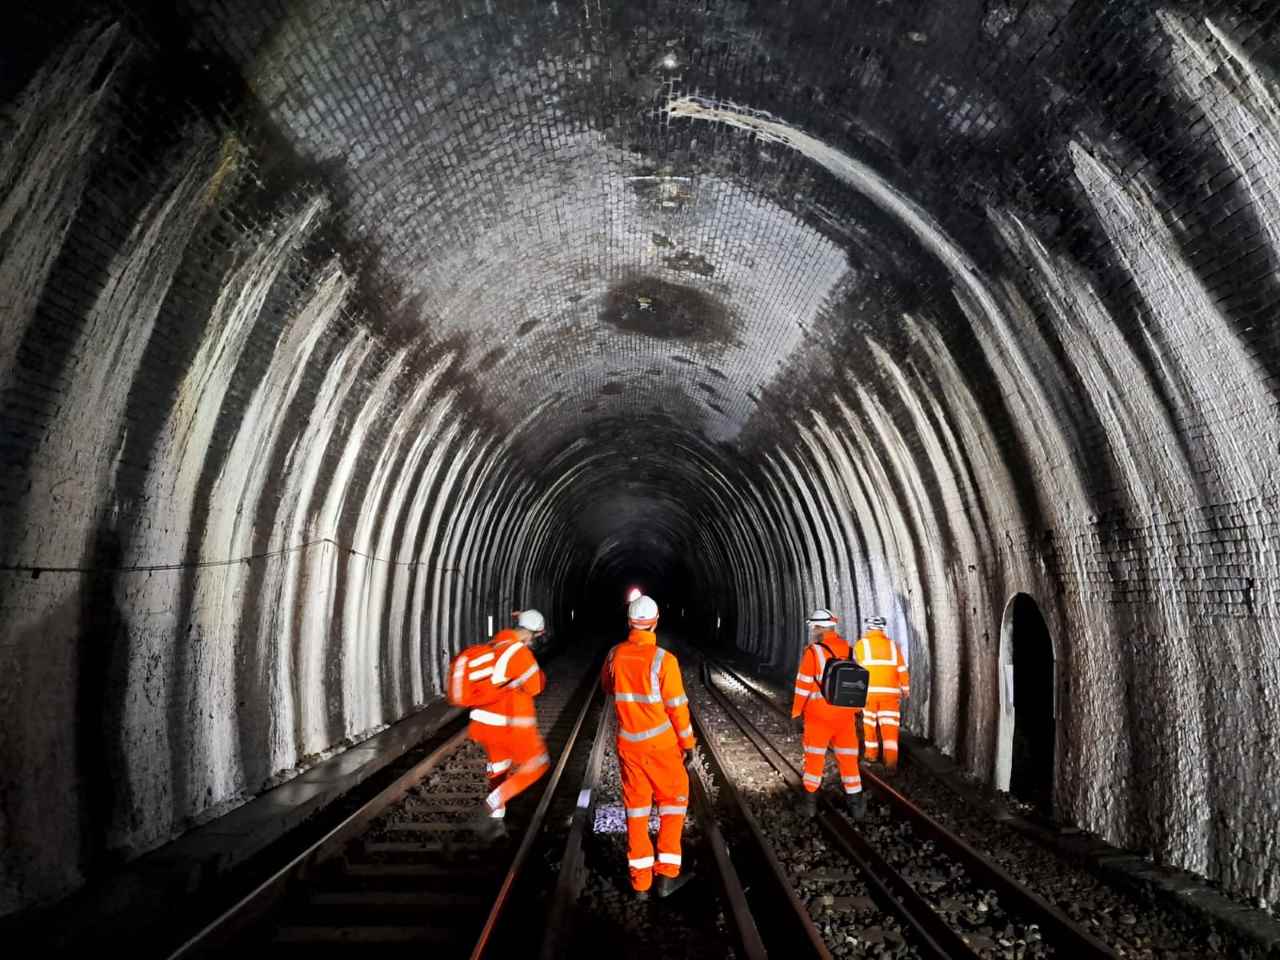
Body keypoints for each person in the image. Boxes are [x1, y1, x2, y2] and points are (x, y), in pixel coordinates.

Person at [601, 595, 696, 900]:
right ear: (655, 622)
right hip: (661, 747)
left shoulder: (614, 655)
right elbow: (677, 708)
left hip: (629, 746)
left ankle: (640, 882)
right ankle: (667, 875)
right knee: (673, 803)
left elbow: (607, 687)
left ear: (629, 622)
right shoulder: (663, 660)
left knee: (637, 809)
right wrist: (688, 744)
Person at [467, 609, 551, 839]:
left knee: (498, 769)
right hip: (504, 722)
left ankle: (495, 826)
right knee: (538, 763)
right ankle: (492, 802)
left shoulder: (494, 645)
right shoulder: (519, 652)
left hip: (482, 720)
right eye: (535, 637)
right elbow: (535, 686)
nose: (534, 641)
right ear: (530, 634)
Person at [791, 608, 866, 819]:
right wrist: (857, 712)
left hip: (819, 717)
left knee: (815, 759)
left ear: (817, 628)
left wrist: (797, 712)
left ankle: (809, 805)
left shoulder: (813, 652)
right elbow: (857, 684)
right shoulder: (850, 650)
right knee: (849, 760)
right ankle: (856, 805)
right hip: (845, 717)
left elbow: (803, 686)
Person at [855, 615, 909, 773]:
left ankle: (871, 757)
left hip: (869, 693)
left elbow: (857, 670)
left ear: (868, 628)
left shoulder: (861, 645)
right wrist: (905, 689)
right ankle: (891, 763)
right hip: (890, 695)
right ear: (882, 629)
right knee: (890, 728)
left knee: (870, 725)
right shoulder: (893, 646)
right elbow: (901, 669)